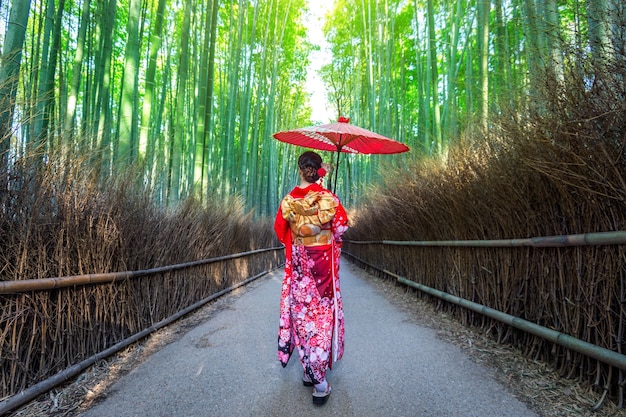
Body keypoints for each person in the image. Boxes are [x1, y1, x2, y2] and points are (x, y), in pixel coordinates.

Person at [274, 151, 349, 405]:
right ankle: (320, 382)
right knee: (320, 320)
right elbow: (340, 228)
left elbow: (280, 230)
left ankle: (309, 370)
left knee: (302, 317)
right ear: (319, 170)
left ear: (299, 169)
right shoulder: (329, 198)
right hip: (322, 268)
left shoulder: (288, 200)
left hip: (298, 266)